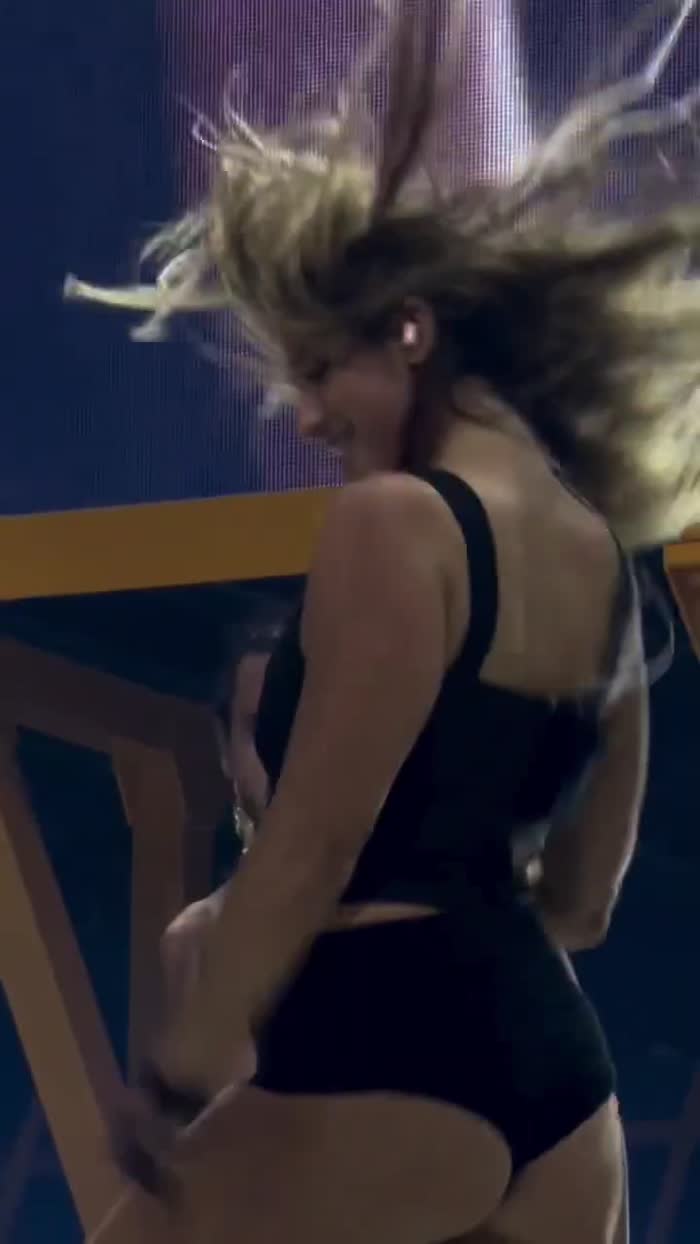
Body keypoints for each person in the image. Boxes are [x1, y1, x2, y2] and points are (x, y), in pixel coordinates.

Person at [68, 3, 700, 1241]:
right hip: (558, 1081)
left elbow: (311, 839)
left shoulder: (397, 524)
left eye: (319, 368)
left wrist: (183, 1065)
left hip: (383, 1049)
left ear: (410, 330)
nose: (308, 417)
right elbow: (583, 897)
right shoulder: (599, 554)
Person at [160, 613, 284, 1008]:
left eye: (306, 726)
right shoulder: (197, 942)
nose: (282, 753)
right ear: (224, 747)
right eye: (263, 728)